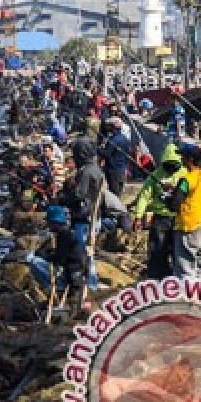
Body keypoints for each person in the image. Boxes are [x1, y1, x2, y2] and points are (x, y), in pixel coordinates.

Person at [132, 143, 187, 279]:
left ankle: (177, 277)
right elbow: (144, 196)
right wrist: (138, 216)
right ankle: (157, 277)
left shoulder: (185, 174)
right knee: (157, 249)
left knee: (178, 250)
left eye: (174, 165)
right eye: (168, 165)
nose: (171, 168)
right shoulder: (155, 176)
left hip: (180, 218)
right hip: (161, 218)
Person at [63, 135, 105, 295]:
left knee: (85, 255)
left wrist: (63, 199)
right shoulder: (95, 169)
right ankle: (90, 286)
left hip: (86, 219)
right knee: (88, 253)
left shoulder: (86, 172)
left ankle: (91, 287)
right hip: (93, 217)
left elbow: (79, 195)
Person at [169, 142, 201, 279]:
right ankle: (200, 293)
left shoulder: (186, 180)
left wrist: (169, 198)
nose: (181, 159)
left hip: (187, 226)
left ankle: (185, 294)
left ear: (190, 159)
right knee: (200, 263)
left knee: (185, 264)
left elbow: (175, 203)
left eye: (183, 157)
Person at [99, 117, 133, 197]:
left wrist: (98, 149)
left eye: (109, 125)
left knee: (113, 194)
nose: (107, 127)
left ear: (113, 126)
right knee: (118, 193)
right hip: (121, 170)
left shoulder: (113, 140)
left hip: (113, 171)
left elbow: (106, 154)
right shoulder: (125, 139)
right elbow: (128, 154)